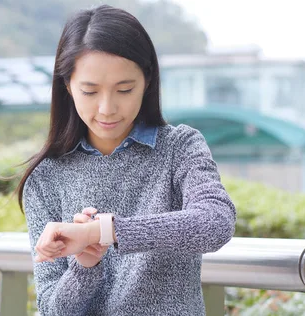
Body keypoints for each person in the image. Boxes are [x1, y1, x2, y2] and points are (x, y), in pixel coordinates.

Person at [15, 4, 237, 316]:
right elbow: (52, 309)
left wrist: (102, 231)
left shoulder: (179, 147)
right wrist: (85, 265)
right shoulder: (46, 177)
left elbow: (215, 223)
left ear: (146, 82)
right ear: (68, 87)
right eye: (90, 92)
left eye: (124, 89)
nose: (107, 108)